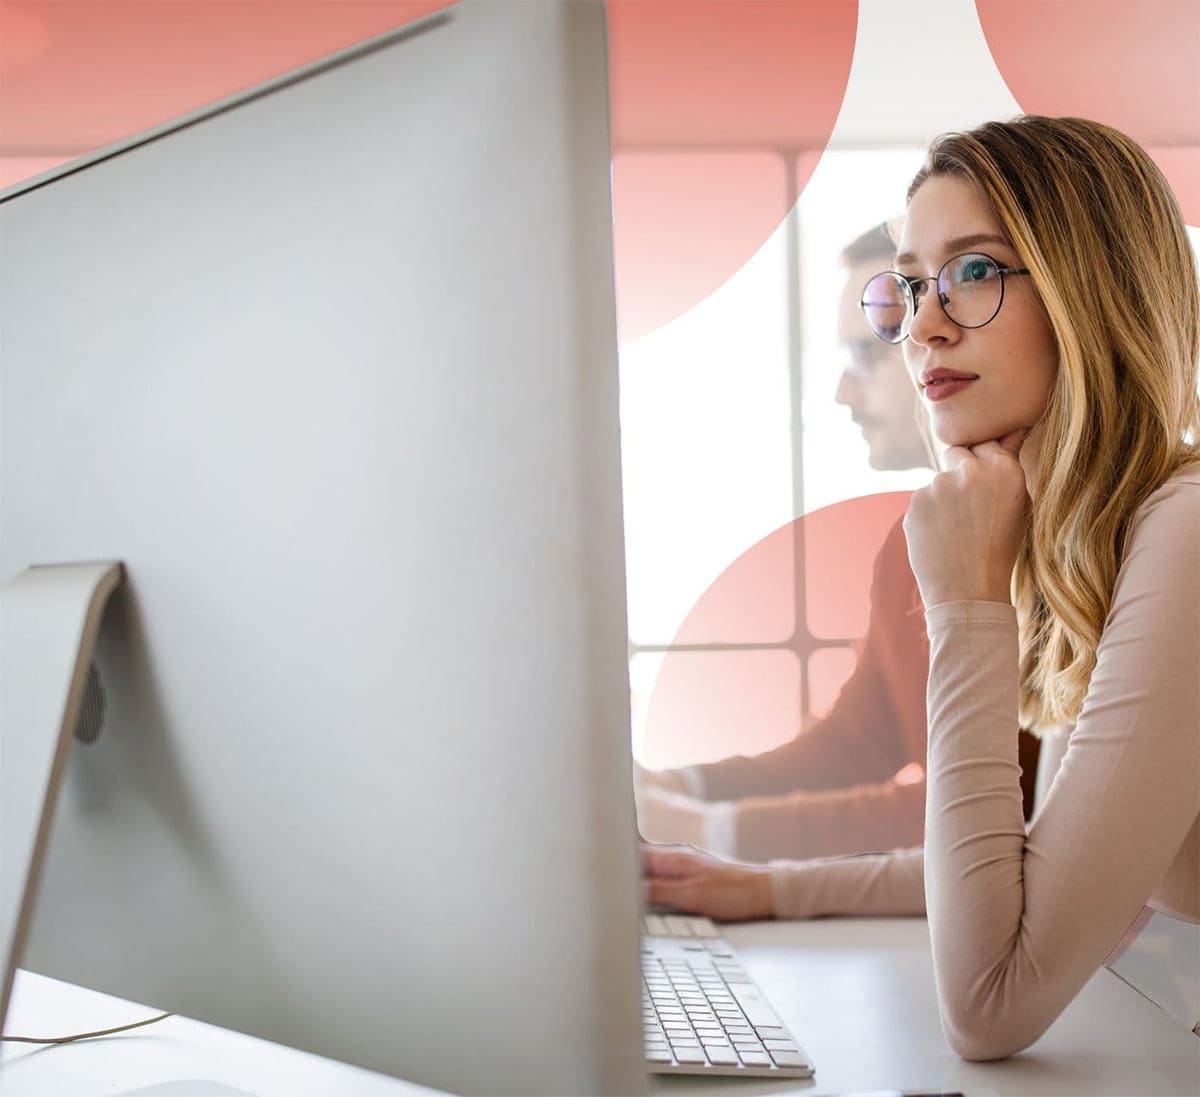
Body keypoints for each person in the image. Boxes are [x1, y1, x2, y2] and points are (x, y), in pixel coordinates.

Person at [642, 115, 1200, 1060]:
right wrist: (771, 887)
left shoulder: (1184, 529)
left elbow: (992, 1004)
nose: (923, 325)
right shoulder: (1097, 540)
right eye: (908, 287)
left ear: (1091, 291)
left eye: (974, 272)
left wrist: (967, 603)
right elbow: (1026, 865)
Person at [635, 223, 936, 863]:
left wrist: (701, 831)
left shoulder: (1049, 547)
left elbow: (989, 817)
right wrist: (677, 790)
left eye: (869, 353)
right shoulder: (913, 544)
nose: (841, 393)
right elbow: (856, 747)